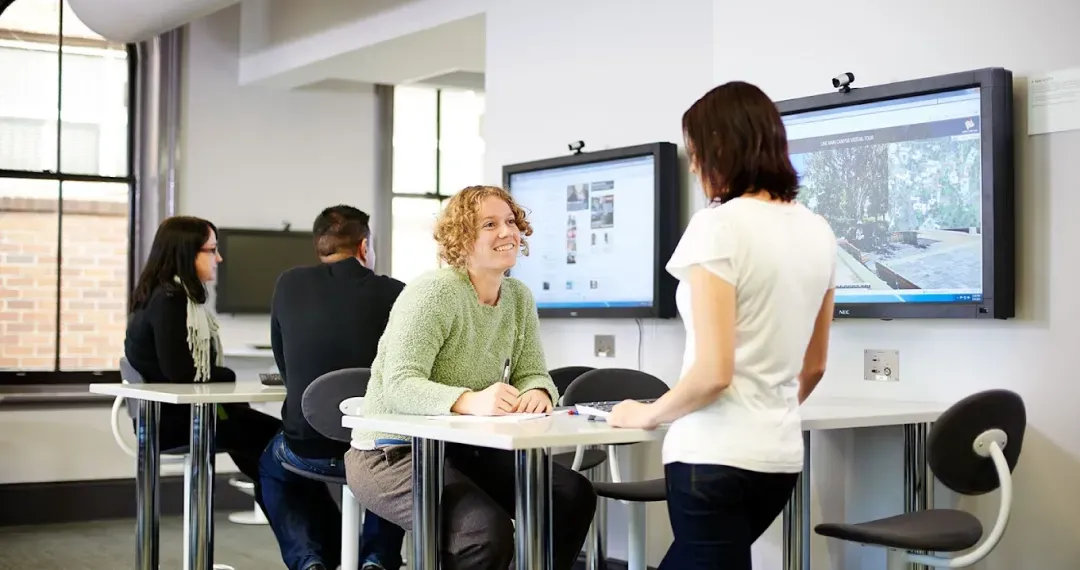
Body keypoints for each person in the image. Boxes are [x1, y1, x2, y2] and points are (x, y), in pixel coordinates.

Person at [608, 81, 838, 569]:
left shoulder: (718, 226)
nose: (693, 167)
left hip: (712, 459)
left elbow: (714, 373)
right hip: (778, 460)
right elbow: (814, 366)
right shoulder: (818, 230)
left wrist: (646, 414)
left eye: (696, 153)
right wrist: (763, 414)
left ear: (720, 150)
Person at [344, 185, 598, 570]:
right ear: (462, 239)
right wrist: (468, 400)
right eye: (489, 224)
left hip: (462, 450)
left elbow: (533, 371)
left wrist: (539, 392)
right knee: (484, 533)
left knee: (570, 494)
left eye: (511, 222)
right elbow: (398, 385)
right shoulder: (432, 292)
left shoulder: (518, 297)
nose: (507, 232)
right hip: (390, 454)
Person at [258, 206, 406, 570]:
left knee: (270, 465)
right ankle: (377, 559)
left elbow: (285, 364)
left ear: (319, 247)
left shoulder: (288, 283)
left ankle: (308, 560)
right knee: (398, 461)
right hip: (374, 447)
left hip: (306, 447)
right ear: (364, 247)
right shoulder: (397, 293)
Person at [124, 216, 282, 514]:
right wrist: (228, 374)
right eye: (212, 250)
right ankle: (314, 544)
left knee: (269, 457)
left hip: (181, 419)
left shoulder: (163, 296)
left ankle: (309, 543)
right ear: (186, 253)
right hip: (181, 424)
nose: (219, 258)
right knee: (281, 446)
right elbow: (181, 373)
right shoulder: (170, 300)